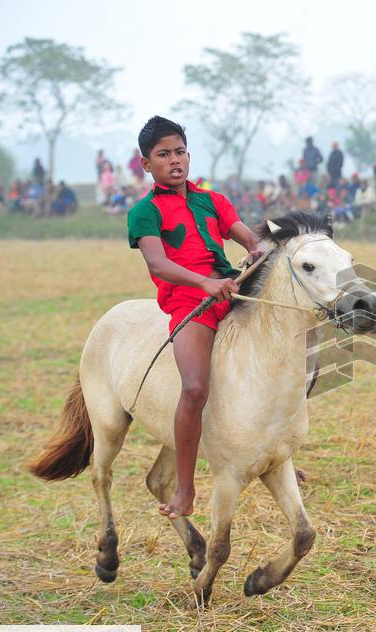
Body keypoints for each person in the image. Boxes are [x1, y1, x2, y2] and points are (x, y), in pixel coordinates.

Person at [126, 116, 264, 518]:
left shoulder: (213, 200)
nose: (175, 160)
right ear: (146, 164)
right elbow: (157, 263)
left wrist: (256, 249)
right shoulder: (144, 211)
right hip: (190, 304)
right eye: (164, 154)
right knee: (195, 389)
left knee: (284, 353)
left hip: (231, 291)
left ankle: (276, 451)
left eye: (180, 151)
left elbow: (248, 237)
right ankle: (184, 489)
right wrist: (204, 283)